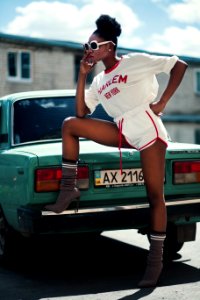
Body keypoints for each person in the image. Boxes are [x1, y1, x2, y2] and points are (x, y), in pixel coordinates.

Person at [45, 15, 188, 287]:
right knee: (70, 125)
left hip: (147, 131)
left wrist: (162, 102)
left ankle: (154, 263)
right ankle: (68, 189)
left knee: (155, 196)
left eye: (94, 45)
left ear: (110, 46)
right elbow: (81, 112)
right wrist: (82, 75)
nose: (89, 50)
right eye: (87, 46)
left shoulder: (134, 62)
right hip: (122, 130)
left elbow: (179, 64)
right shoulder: (99, 81)